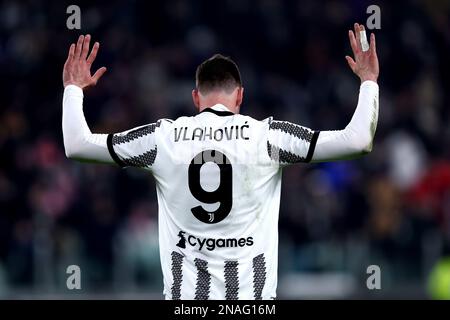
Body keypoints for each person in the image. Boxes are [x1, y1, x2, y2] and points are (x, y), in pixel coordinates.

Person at [62, 23, 379, 300]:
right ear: (240, 96)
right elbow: (358, 140)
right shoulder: (266, 137)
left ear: (195, 98)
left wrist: (74, 89)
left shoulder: (163, 138)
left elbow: (78, 145)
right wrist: (368, 80)